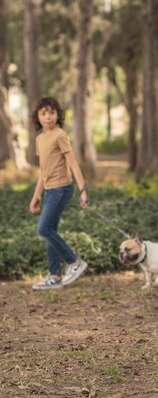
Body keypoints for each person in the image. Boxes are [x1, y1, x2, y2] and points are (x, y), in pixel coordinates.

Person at [29, 97, 88, 290]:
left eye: (52, 113)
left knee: (43, 229)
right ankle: (55, 276)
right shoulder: (39, 139)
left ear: (58, 115)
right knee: (49, 231)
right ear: (37, 116)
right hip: (48, 190)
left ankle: (74, 262)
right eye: (43, 113)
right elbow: (43, 171)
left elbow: (73, 163)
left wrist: (83, 189)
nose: (48, 117)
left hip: (61, 189)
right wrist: (36, 195)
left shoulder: (60, 135)